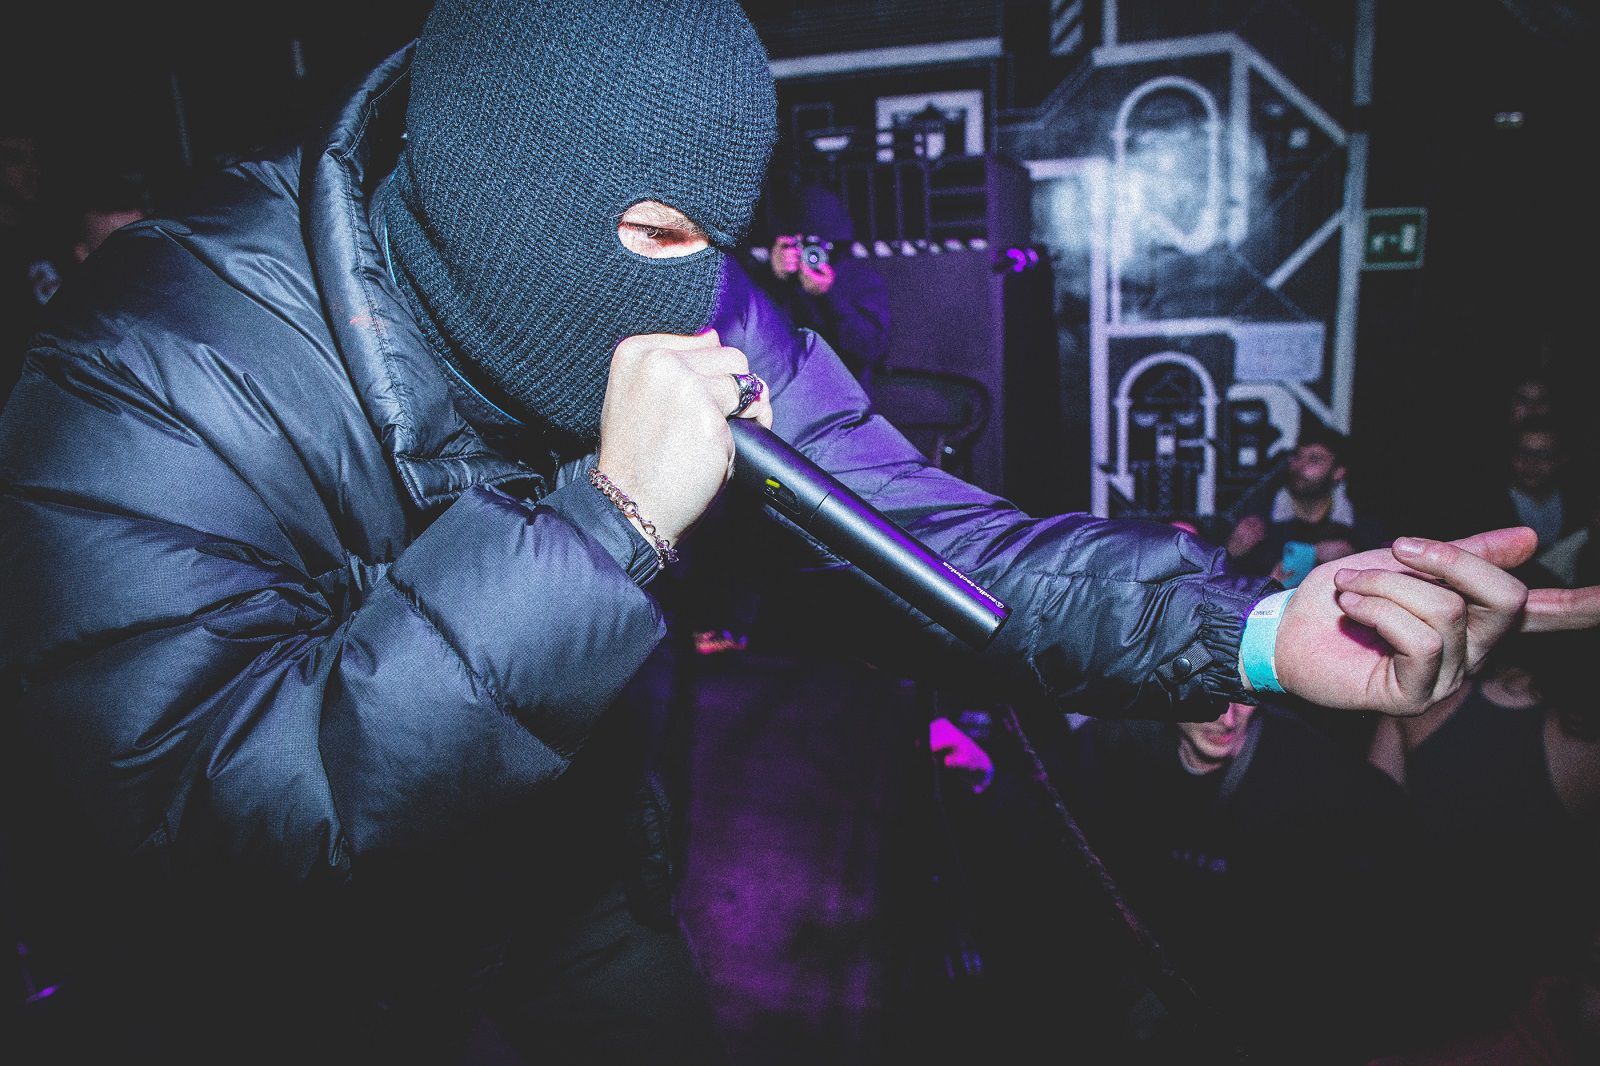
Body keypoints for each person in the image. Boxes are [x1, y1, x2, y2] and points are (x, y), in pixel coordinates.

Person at [0, 0, 1583, 1061]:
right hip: (307, 994)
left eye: (720, 241)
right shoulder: (149, 377)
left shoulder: (690, 290)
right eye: (657, 235)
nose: (703, 293)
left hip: (572, 896)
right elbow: (232, 812)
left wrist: (1260, 627)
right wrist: (610, 519)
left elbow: (950, 549)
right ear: (498, 192)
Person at [754, 181, 891, 386]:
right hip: (786, 392)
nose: (812, 254)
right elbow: (755, 343)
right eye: (802, 244)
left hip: (845, 393)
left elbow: (871, 349)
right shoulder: (772, 278)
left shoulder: (860, 280)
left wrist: (830, 296)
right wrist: (774, 280)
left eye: (819, 244)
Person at [1225, 424, 1386, 586]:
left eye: (1314, 460)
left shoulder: (1361, 528)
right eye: (1297, 456)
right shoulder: (1257, 521)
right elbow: (1226, 588)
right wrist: (1231, 553)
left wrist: (1355, 562)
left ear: (1338, 472)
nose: (1299, 466)